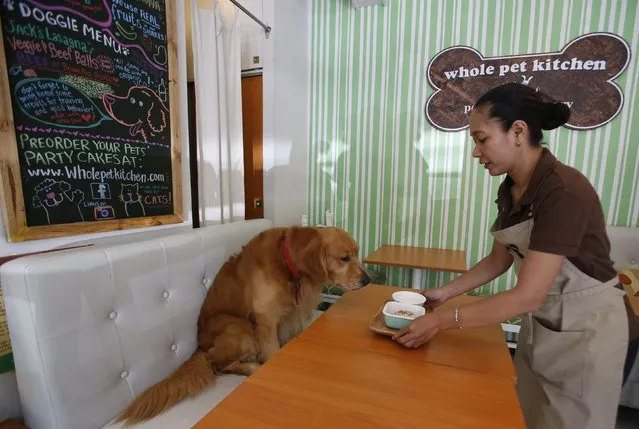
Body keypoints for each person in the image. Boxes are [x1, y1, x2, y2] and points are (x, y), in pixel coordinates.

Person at [393, 82, 631, 429]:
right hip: (546, 321)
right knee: (530, 415)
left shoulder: (562, 191)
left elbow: (527, 295)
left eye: (482, 138)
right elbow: (498, 261)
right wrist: (444, 294)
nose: (476, 152)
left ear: (518, 131)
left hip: (589, 329)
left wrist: (441, 321)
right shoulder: (512, 188)